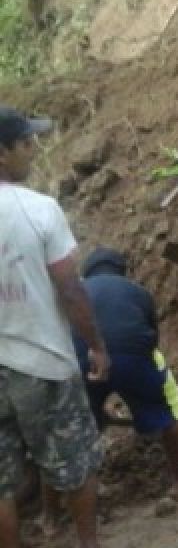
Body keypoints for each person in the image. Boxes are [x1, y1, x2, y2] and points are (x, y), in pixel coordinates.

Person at [0, 106, 109, 548]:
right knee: (76, 463)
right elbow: (71, 289)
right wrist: (97, 346)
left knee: (2, 482)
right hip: (43, 363)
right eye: (26, 143)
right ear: (3, 153)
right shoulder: (39, 210)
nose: (33, 150)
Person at [73, 248, 178, 498]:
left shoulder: (76, 294)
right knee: (171, 409)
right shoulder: (137, 291)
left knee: (83, 421)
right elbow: (152, 337)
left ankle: (89, 489)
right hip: (134, 355)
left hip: (85, 360)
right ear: (122, 271)